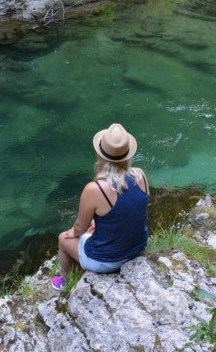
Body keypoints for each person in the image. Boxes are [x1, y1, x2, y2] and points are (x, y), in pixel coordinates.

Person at [51, 123, 150, 290]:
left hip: (108, 260)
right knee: (93, 226)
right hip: (138, 247)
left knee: (62, 239)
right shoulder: (141, 175)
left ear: (101, 155)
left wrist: (72, 233)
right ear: (127, 154)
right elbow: (130, 210)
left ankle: (65, 282)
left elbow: (80, 229)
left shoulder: (95, 189)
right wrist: (98, 223)